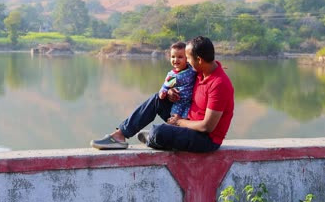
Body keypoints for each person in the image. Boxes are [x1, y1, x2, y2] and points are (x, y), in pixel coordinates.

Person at [90, 36, 234, 152]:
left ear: (199, 60)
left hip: (205, 139)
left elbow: (207, 127)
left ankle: (156, 137)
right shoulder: (200, 72)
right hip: (185, 119)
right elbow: (181, 80)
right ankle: (120, 135)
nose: (187, 63)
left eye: (188, 59)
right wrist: (170, 91)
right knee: (158, 98)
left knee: (158, 131)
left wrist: (179, 122)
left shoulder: (219, 84)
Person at [158, 41, 196, 119]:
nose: (176, 60)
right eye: (173, 57)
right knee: (175, 117)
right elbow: (165, 86)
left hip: (191, 103)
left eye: (180, 57)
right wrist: (162, 93)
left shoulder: (191, 69)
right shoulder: (173, 76)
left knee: (187, 118)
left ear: (187, 58)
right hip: (179, 103)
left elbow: (203, 67)